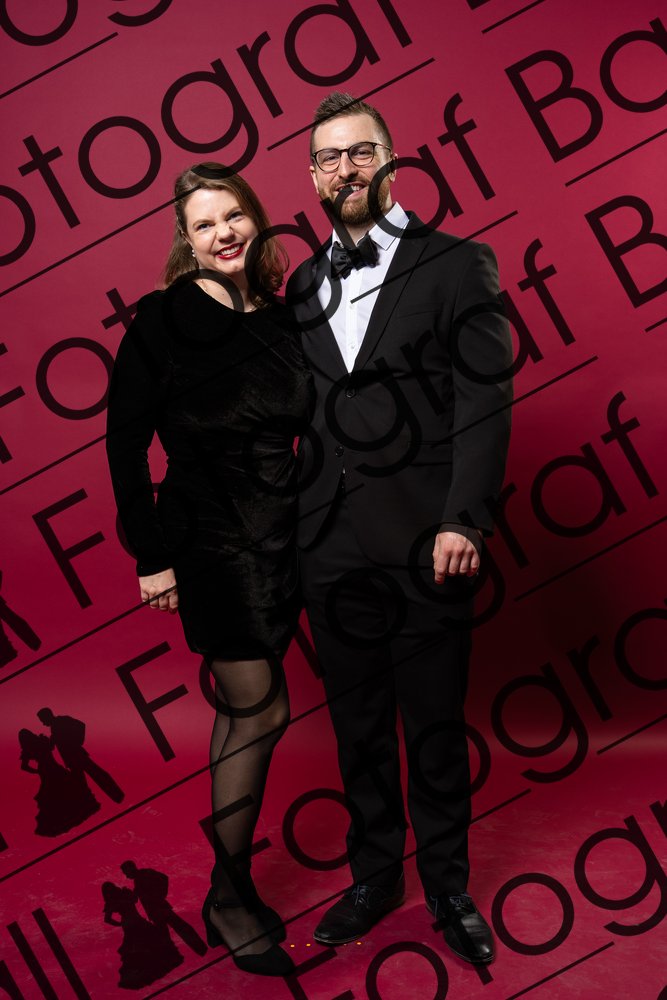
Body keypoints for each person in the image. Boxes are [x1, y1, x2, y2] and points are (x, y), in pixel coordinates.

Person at [286, 93, 513, 965]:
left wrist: (464, 519)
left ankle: (448, 887)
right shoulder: (299, 284)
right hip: (328, 546)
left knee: (433, 724)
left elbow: (484, 400)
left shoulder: (458, 263)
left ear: (390, 158)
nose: (343, 168)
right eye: (328, 156)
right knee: (358, 727)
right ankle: (374, 877)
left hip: (428, 540)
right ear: (311, 175)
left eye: (360, 151)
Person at [106, 163, 313, 977]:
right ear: (186, 242)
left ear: (256, 220)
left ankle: (228, 886)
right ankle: (227, 897)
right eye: (204, 224)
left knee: (241, 709)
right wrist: (151, 553)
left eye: (233, 215)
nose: (223, 232)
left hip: (282, 538)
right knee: (262, 709)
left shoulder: (285, 316)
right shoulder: (162, 318)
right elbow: (126, 443)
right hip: (208, 540)